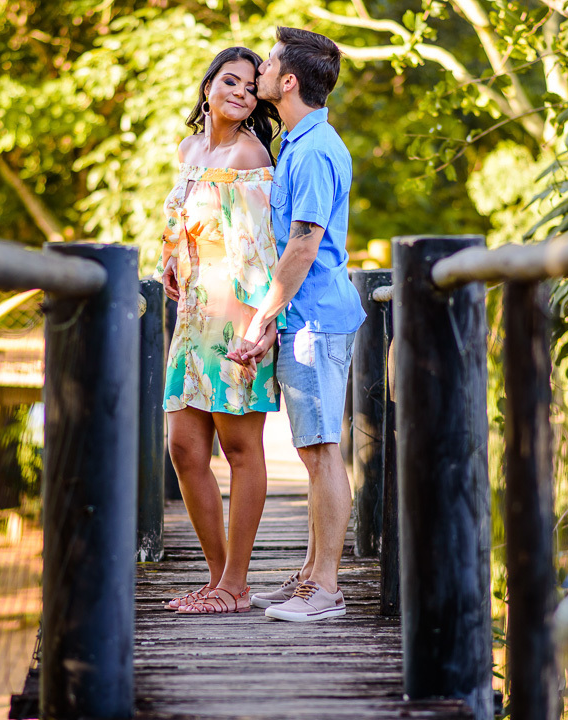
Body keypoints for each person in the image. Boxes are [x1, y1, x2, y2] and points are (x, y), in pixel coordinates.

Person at [229, 27, 365, 622]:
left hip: (315, 319)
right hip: (309, 316)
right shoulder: (305, 142)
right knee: (316, 451)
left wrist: (262, 318)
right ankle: (312, 573)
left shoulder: (310, 150)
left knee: (320, 452)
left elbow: (303, 246)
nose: (257, 69)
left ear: (288, 82)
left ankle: (327, 589)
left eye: (268, 63)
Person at [158, 46, 284, 614]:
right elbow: (184, 219)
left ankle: (236, 583)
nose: (240, 91)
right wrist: (172, 258)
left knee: (238, 446)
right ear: (208, 85)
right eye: (229, 80)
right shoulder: (190, 149)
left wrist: (261, 328)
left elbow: (261, 251)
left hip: (235, 314)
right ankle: (216, 579)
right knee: (184, 447)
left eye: (251, 87)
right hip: (191, 319)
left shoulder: (249, 153)